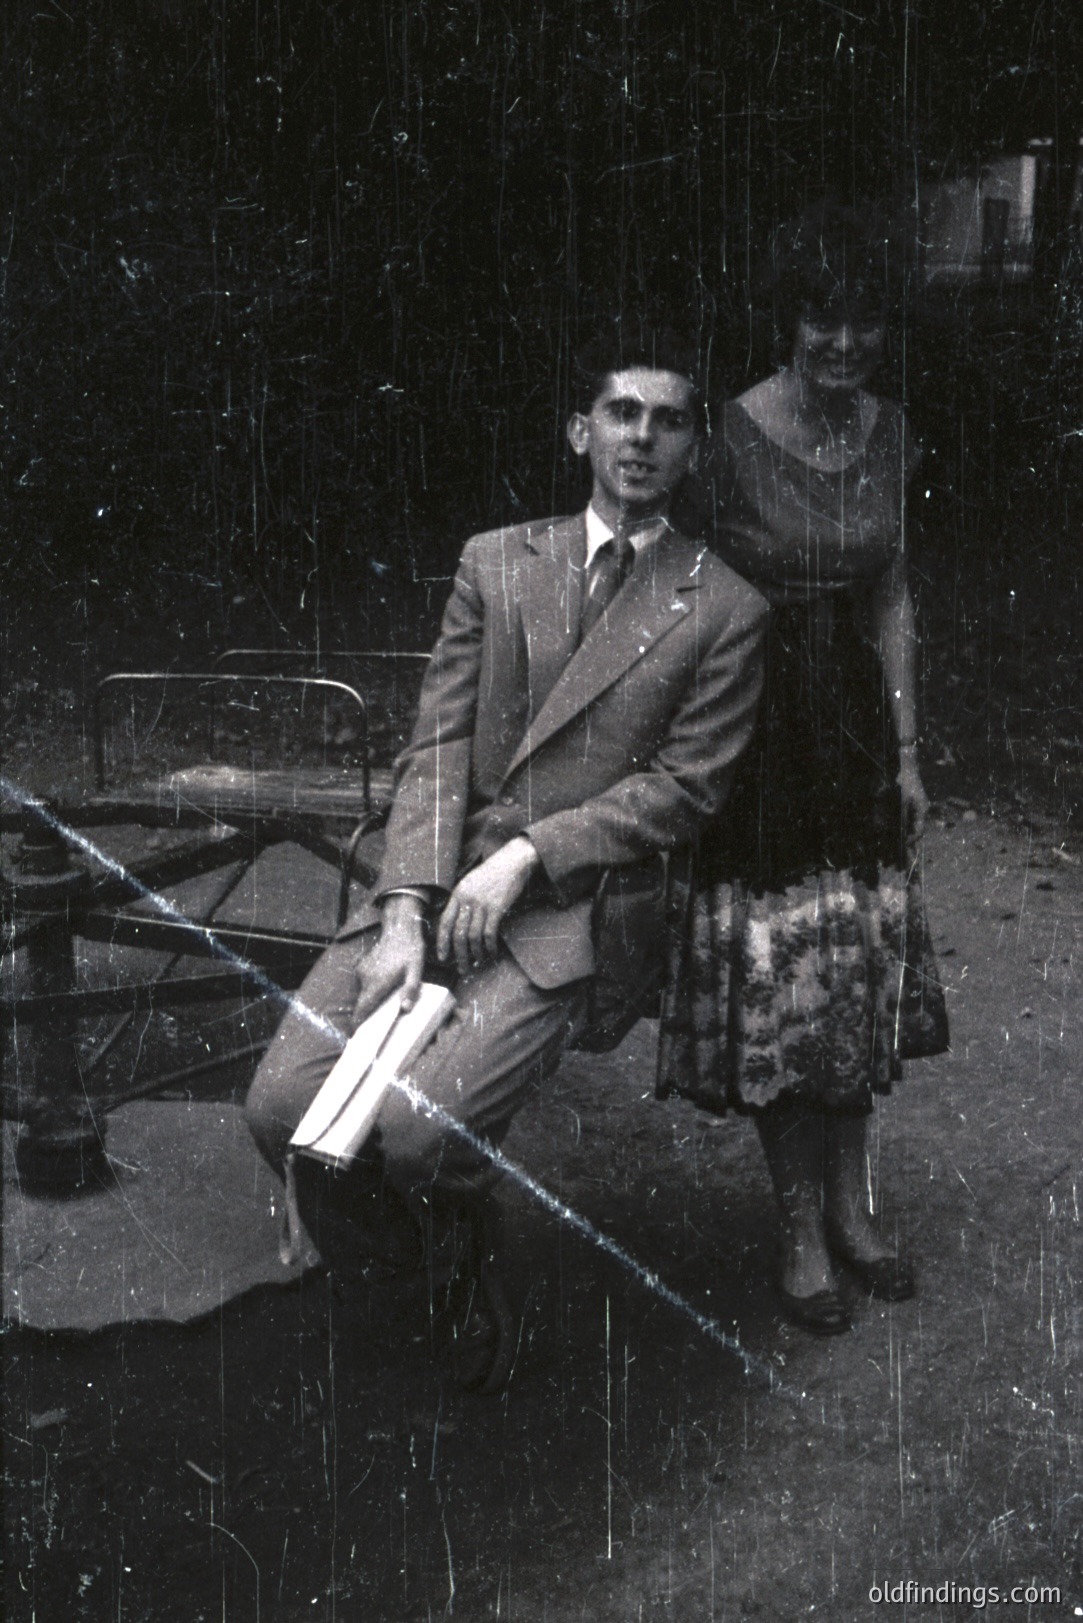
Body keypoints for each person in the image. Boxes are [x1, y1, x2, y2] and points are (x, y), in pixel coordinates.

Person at [246, 329, 768, 1389]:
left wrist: (530, 852)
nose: (643, 437)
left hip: (574, 908)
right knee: (280, 1107)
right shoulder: (495, 561)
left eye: (670, 421)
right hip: (435, 884)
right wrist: (404, 907)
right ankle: (413, 1263)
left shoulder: (724, 606)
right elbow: (438, 742)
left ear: (694, 451)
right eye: (622, 412)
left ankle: (454, 1255)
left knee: (419, 1135)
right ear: (581, 432)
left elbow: (686, 788)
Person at [661, 202, 941, 1335]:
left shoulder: (891, 430)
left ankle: (852, 1212)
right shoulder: (723, 438)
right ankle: (796, 1229)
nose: (843, 343)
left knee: (855, 964)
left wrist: (909, 752)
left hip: (856, 733)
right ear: (787, 322)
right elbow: (674, 594)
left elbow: (892, 594)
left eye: (865, 321)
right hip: (758, 726)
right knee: (786, 975)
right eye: (822, 320)